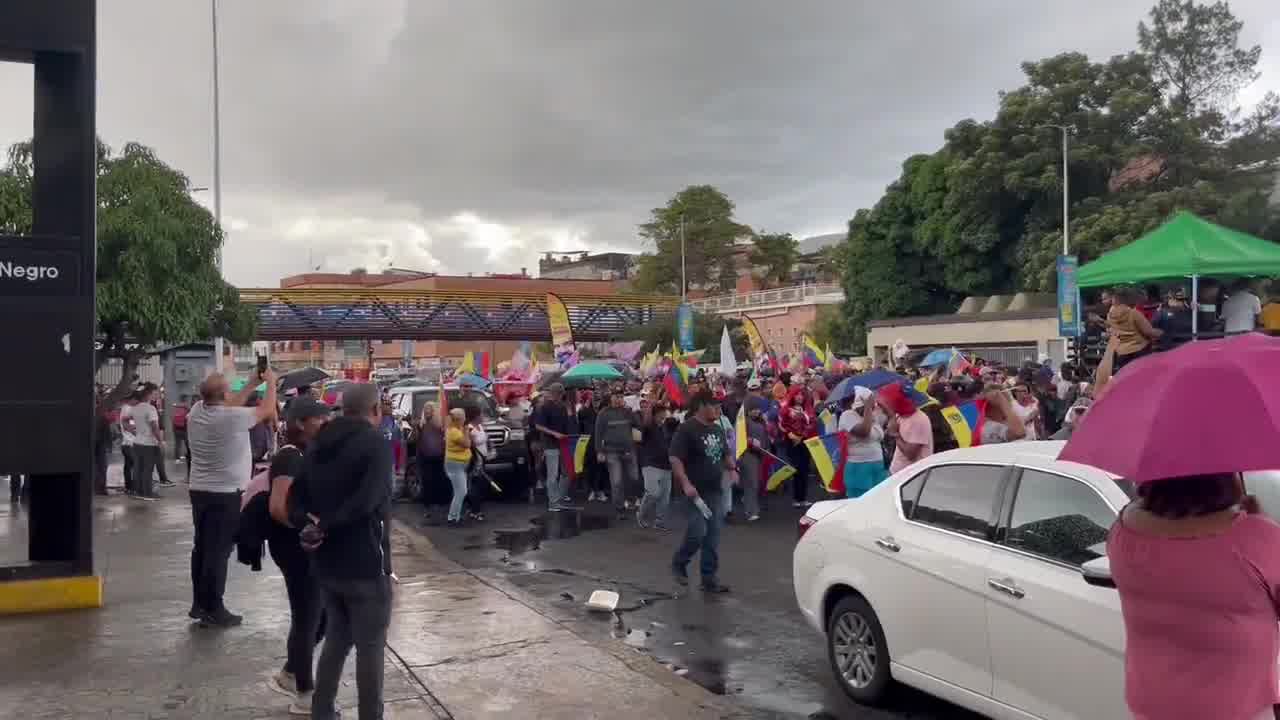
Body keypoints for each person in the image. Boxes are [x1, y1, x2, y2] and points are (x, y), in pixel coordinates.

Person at [1108, 473, 1280, 720]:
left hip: (1152, 704)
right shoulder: (1255, 537)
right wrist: (1256, 519)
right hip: (1236, 708)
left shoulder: (1122, 532)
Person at [289, 383, 393, 720]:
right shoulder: (375, 443)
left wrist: (310, 524)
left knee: (336, 638)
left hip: (326, 563)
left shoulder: (318, 443)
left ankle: (322, 710)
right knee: (370, 648)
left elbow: (296, 497)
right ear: (375, 410)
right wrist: (328, 524)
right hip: (364, 562)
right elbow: (369, 500)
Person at [187, 370, 277, 626]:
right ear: (224, 395)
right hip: (224, 496)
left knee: (202, 549)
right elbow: (268, 409)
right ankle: (214, 608)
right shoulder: (232, 418)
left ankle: (199, 603)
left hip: (200, 491)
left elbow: (228, 403)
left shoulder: (197, 411)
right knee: (218, 553)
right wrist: (270, 382)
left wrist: (250, 384)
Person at [265, 398, 329, 715]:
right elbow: (278, 507)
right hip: (293, 547)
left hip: (306, 546)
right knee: (307, 617)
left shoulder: (307, 454)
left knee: (323, 616)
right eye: (320, 418)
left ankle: (290, 672)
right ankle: (305, 693)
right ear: (302, 422)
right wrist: (308, 526)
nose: (325, 422)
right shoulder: (289, 458)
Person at [669, 390, 736, 594]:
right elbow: (675, 458)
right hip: (694, 494)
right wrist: (686, 483)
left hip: (714, 491)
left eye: (719, 406)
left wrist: (732, 469)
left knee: (712, 536)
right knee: (698, 532)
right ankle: (679, 563)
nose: (718, 410)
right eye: (714, 406)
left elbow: (725, 453)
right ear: (701, 406)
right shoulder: (686, 429)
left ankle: (709, 579)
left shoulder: (717, 429)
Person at [595, 391, 641, 518]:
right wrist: (599, 451)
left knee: (634, 477)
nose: (618, 399)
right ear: (610, 398)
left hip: (629, 450)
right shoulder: (603, 414)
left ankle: (631, 500)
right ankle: (619, 507)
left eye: (621, 397)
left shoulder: (627, 412)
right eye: (616, 397)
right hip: (611, 451)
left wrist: (632, 411)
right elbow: (598, 433)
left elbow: (638, 425)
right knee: (616, 481)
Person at [532, 383, 573, 511]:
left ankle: (558, 499)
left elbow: (567, 424)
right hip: (550, 445)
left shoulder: (562, 407)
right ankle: (553, 502)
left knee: (566, 473)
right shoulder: (544, 407)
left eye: (560, 394)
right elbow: (538, 426)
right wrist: (554, 433)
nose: (558, 396)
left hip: (563, 443)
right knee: (553, 474)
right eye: (556, 393)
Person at [839, 388, 886, 498]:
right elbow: (864, 432)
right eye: (870, 401)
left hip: (877, 465)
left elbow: (890, 419)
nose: (874, 405)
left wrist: (882, 404)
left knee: (878, 499)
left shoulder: (872, 415)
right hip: (858, 466)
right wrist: (868, 409)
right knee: (859, 502)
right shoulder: (847, 415)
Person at [879, 383, 933, 474]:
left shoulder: (918, 420)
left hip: (911, 477)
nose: (885, 405)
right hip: (897, 473)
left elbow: (910, 454)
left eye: (888, 402)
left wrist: (896, 435)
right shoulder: (900, 416)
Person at [637, 402, 675, 530]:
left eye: (664, 416)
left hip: (666, 465)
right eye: (660, 417)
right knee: (653, 492)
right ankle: (641, 515)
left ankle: (660, 521)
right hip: (650, 463)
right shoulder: (647, 427)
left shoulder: (667, 427)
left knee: (664, 496)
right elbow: (639, 434)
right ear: (653, 415)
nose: (662, 419)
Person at [124, 383, 164, 500]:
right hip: (149, 444)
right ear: (148, 394)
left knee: (138, 468)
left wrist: (132, 431)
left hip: (137, 443)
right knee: (148, 468)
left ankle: (138, 491)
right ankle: (147, 493)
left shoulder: (135, 408)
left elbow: (124, 420)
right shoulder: (151, 408)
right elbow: (154, 426)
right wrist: (160, 441)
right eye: (154, 393)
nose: (156, 395)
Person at [1108, 287, 1163, 371]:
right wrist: (1162, 332)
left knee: (1127, 377)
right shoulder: (1134, 313)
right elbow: (1148, 332)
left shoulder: (1110, 316)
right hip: (1139, 350)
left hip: (1122, 351)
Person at [779, 386, 817, 508]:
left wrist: (803, 435)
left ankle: (803, 498)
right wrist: (790, 434)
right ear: (793, 396)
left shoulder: (807, 410)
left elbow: (812, 423)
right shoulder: (786, 410)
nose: (800, 397)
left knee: (805, 470)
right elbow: (781, 424)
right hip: (792, 443)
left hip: (805, 442)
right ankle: (796, 498)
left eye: (802, 394)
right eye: (797, 394)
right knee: (796, 470)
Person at [739, 397, 771, 521]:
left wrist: (767, 448)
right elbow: (739, 438)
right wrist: (750, 441)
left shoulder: (761, 421)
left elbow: (766, 436)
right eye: (754, 409)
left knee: (757, 483)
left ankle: (753, 507)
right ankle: (750, 510)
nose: (757, 411)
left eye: (758, 409)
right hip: (748, 454)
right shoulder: (744, 422)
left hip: (760, 454)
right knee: (751, 483)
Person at [416, 401, 446, 518]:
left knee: (439, 479)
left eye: (430, 409)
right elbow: (417, 440)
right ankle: (428, 506)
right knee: (427, 481)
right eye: (426, 409)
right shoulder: (421, 424)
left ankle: (439, 503)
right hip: (425, 457)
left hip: (439, 456)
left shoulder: (439, 425)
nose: (427, 411)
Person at [443, 407, 471, 526]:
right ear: (459, 419)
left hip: (458, 464)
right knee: (461, 491)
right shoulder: (454, 431)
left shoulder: (455, 429)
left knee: (459, 491)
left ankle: (456, 516)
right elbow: (467, 444)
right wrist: (466, 431)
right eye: (463, 417)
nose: (465, 419)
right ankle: (452, 518)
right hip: (455, 464)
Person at [463, 403, 489, 522]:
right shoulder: (469, 428)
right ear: (475, 416)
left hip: (483, 458)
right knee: (475, 485)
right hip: (474, 460)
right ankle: (475, 510)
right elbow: (469, 446)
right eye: (481, 414)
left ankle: (473, 508)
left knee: (481, 485)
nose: (483, 416)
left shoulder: (481, 426)